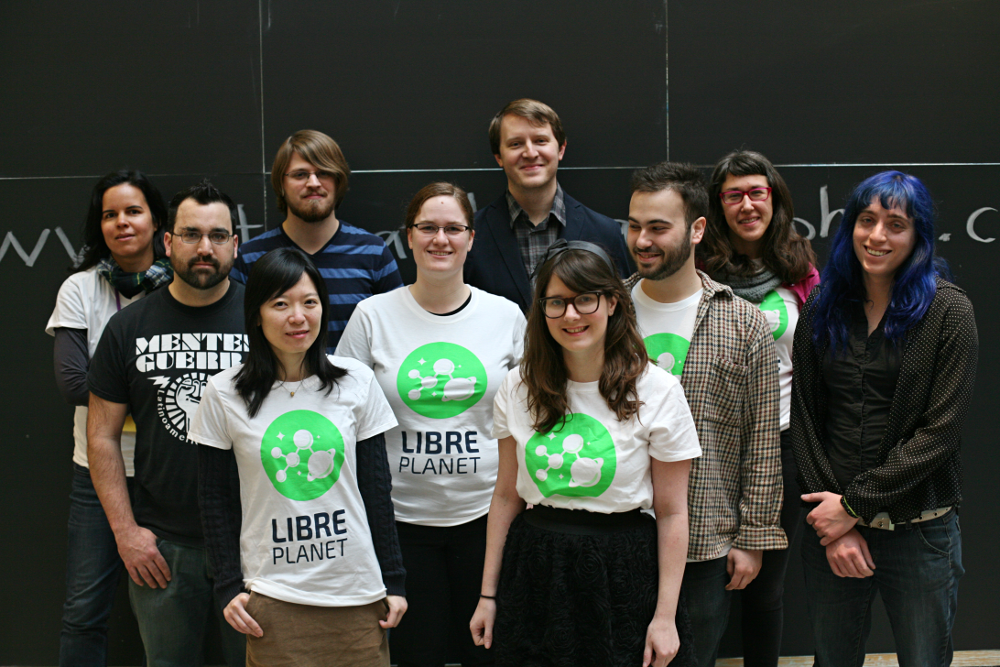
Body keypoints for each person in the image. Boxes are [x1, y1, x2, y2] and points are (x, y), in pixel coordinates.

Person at [469, 241, 701, 667]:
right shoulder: (516, 388)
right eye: (555, 303)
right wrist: (488, 595)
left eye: (584, 299)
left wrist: (665, 616)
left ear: (612, 302)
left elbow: (672, 513)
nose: (570, 316)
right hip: (535, 570)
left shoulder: (658, 389)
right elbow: (505, 496)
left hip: (623, 573)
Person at [791, 171, 977, 667]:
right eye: (867, 220)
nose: (877, 236)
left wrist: (854, 504)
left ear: (918, 235)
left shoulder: (948, 310)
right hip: (832, 528)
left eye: (895, 224)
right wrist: (838, 524)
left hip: (918, 531)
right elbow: (805, 419)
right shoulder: (821, 309)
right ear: (850, 225)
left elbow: (940, 433)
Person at [337, 182, 525, 667]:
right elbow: (343, 416)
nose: (440, 239)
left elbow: (532, 414)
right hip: (401, 523)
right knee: (415, 654)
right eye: (428, 228)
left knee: (486, 653)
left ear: (471, 238)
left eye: (453, 228)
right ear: (410, 236)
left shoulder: (505, 316)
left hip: (486, 519)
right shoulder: (372, 316)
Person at [189, 247, 407, 667]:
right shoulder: (223, 392)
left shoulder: (356, 381)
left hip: (357, 594)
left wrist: (393, 581)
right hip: (272, 597)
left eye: (310, 302)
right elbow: (214, 499)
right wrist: (228, 586)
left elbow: (376, 491)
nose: (298, 317)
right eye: (280, 304)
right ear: (256, 314)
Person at [625, 162, 786, 667]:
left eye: (658, 227)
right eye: (634, 226)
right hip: (616, 536)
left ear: (697, 229)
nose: (642, 240)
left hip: (704, 541)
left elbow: (761, 441)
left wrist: (752, 538)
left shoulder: (742, 322)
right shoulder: (606, 312)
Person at [87, 180, 247, 667]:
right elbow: (101, 435)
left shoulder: (264, 320)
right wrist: (125, 532)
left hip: (254, 545)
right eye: (191, 234)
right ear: (167, 242)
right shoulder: (128, 327)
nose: (205, 248)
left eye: (219, 236)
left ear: (235, 246)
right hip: (164, 549)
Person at [46, 169, 170, 666]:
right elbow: (73, 383)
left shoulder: (183, 288)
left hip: (171, 470)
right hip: (98, 472)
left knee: (173, 610)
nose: (121, 222)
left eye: (133, 211)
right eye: (109, 214)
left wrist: (116, 380)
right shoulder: (80, 289)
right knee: (83, 610)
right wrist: (156, 381)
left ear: (158, 222)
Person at [699, 149, 819, 666]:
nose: (747, 205)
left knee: (766, 590)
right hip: (711, 445)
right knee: (703, 586)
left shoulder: (801, 268)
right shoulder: (698, 266)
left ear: (774, 200)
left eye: (757, 193)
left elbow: (818, 359)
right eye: (733, 195)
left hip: (784, 443)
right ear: (718, 205)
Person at [231, 129, 403, 350]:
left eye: (323, 173)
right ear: (281, 185)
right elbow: (238, 339)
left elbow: (396, 335)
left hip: (356, 384)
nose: (313, 182)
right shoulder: (250, 257)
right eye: (300, 174)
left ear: (338, 181)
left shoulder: (374, 253)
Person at [464, 98, 632, 312]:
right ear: (499, 157)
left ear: (561, 149)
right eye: (515, 144)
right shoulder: (469, 235)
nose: (530, 153)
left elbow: (622, 318)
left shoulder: (605, 232)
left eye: (540, 141)